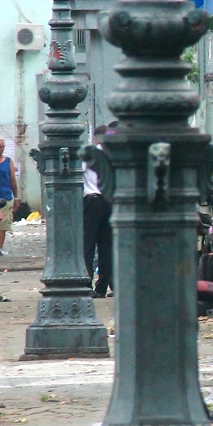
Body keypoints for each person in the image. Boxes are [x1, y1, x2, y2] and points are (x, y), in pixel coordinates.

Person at [81, 125, 113, 298]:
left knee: (88, 244)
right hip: (110, 202)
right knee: (106, 246)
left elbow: (78, 174)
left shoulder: (90, 154)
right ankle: (102, 287)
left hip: (92, 202)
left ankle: (86, 283)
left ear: (95, 138)